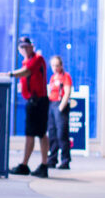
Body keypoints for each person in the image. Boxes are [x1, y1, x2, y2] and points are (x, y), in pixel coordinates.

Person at [7, 35, 49, 178]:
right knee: (32, 134)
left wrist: (9, 74)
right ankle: (26, 164)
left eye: (26, 46)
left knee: (39, 133)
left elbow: (26, 72)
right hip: (33, 101)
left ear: (32, 47)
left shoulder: (37, 59)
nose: (24, 49)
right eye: (22, 47)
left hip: (38, 101)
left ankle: (41, 165)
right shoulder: (27, 61)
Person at [45, 55, 73, 170]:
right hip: (51, 105)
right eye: (53, 65)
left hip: (60, 105)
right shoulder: (52, 78)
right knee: (52, 134)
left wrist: (61, 107)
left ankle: (65, 161)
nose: (55, 68)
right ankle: (52, 159)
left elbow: (67, 92)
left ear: (61, 66)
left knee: (62, 134)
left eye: (57, 65)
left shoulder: (65, 77)